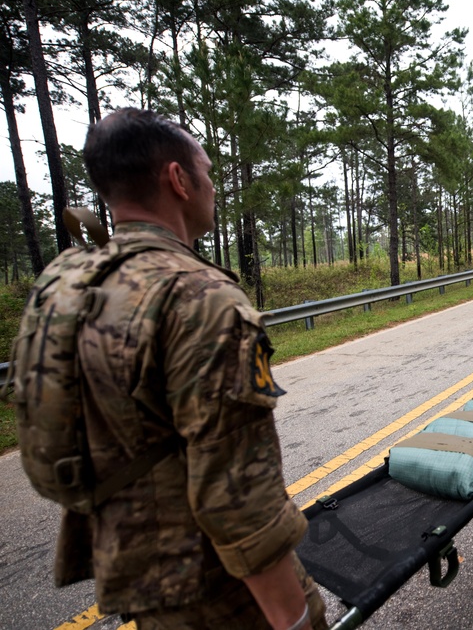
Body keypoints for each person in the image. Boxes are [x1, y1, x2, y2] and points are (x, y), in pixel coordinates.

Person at [33, 109, 326, 629]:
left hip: (134, 572)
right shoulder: (199, 296)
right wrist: (294, 618)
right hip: (213, 582)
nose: (212, 185)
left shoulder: (76, 282)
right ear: (178, 179)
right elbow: (237, 494)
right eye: (207, 172)